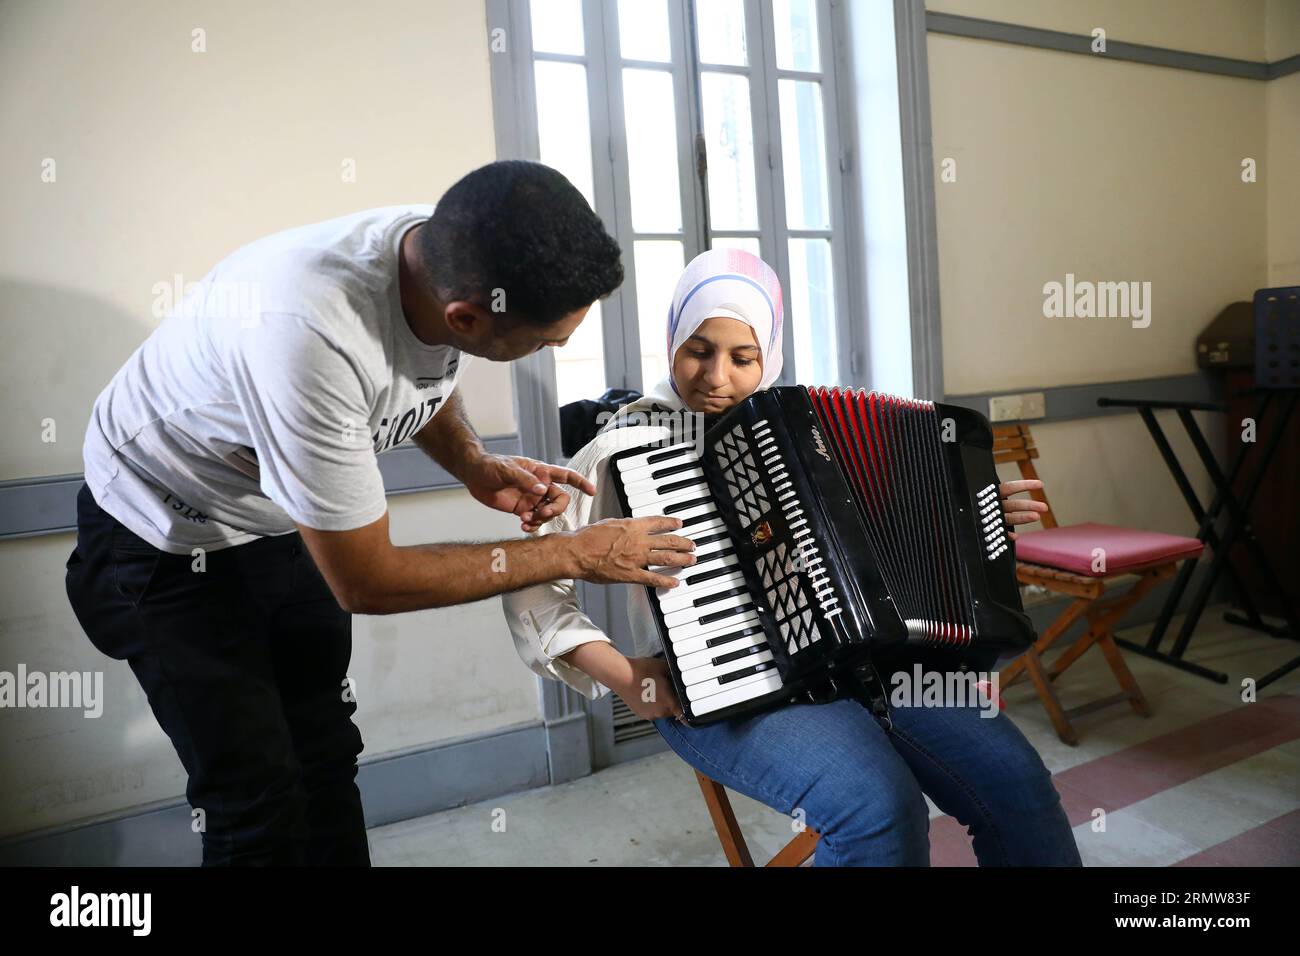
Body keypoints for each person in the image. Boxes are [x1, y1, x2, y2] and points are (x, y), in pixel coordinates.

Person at [64, 160, 696, 866]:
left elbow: (416, 365)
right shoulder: (306, 336)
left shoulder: (442, 249)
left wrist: (473, 465)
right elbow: (367, 582)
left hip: (276, 520)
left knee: (327, 752)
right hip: (163, 539)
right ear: (466, 314)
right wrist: (577, 553)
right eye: (546, 341)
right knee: (254, 800)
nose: (559, 351)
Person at [504, 247, 1082, 866]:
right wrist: (625, 675)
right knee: (878, 813)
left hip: (880, 660)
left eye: (742, 357)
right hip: (727, 682)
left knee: (1018, 786)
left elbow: (901, 548)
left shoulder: (802, 431)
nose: (715, 376)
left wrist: (978, 518)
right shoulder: (627, 447)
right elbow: (528, 580)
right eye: (698, 349)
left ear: (768, 357)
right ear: (671, 341)